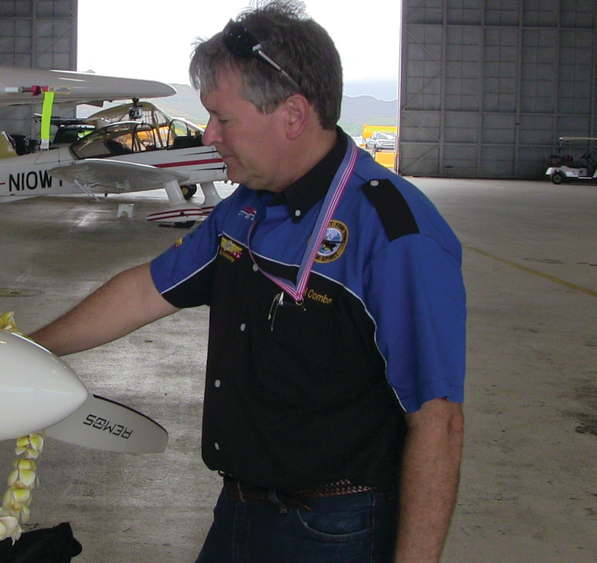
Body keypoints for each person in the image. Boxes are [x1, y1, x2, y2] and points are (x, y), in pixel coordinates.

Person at [29, 2, 465, 561]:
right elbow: (146, 290)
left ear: (292, 115)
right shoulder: (248, 209)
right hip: (238, 509)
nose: (209, 134)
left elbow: (438, 420)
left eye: (223, 118)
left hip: (335, 530)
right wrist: (25, 349)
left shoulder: (396, 236)